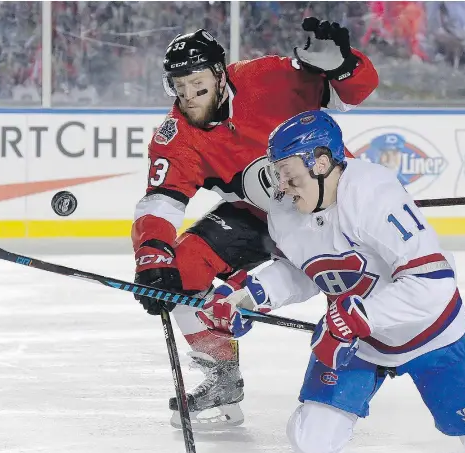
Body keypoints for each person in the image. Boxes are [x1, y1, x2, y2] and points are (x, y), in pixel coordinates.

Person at [197, 110, 465, 453]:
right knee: (311, 443)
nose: (281, 186)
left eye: (287, 173)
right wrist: (254, 295)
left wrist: (357, 317)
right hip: (357, 340)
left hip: (430, 334)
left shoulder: (373, 193)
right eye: (277, 173)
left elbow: (433, 283)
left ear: (320, 163)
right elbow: (304, 270)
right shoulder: (286, 208)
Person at [131, 18, 379, 428]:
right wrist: (153, 258)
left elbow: (353, 94)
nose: (189, 98)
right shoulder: (176, 136)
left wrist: (345, 67)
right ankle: (222, 381)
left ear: (219, 74)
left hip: (327, 206)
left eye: (198, 85)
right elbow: (161, 201)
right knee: (181, 268)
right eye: (179, 88)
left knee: (387, 289)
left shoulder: (268, 78)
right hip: (255, 217)